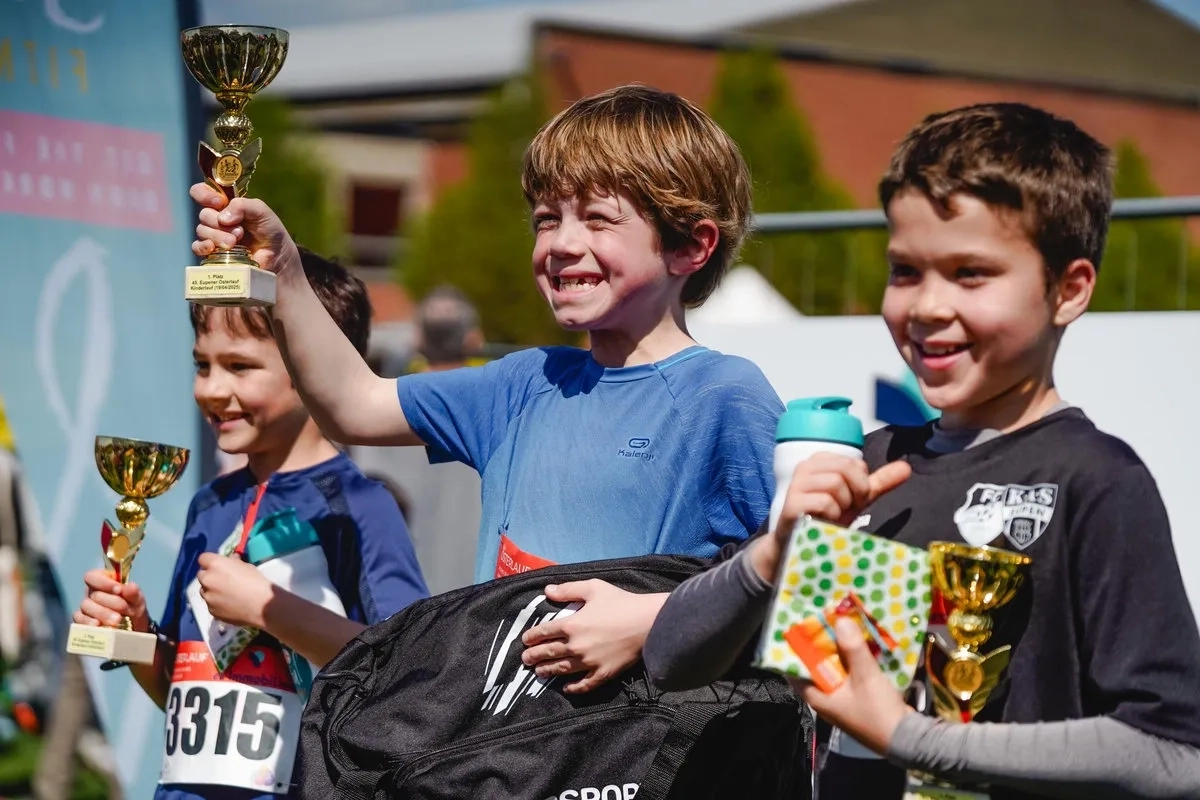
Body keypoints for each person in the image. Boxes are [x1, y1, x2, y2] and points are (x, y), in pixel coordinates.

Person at [643, 103, 1200, 799]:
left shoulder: (1096, 479)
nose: (928, 306)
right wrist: (773, 553)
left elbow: (1176, 751)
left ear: (1069, 289)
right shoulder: (868, 469)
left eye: (971, 273)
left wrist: (911, 737)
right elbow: (669, 660)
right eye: (906, 271)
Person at [188, 84, 782, 694]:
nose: (561, 244)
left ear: (691, 245)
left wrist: (649, 620)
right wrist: (284, 269)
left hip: (643, 747)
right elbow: (353, 405)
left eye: (598, 219)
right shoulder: (523, 383)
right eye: (547, 219)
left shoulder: (724, 396)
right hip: (501, 742)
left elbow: (806, 587)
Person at [72, 248, 429, 799]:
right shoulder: (209, 504)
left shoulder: (359, 507)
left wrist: (272, 610)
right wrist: (135, 636)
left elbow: (404, 672)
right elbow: (180, 688)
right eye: (203, 365)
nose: (212, 389)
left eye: (239, 366)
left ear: (314, 366)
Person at [354, 286, 486, 594]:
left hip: (398, 596)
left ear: (417, 339)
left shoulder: (378, 414)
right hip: (478, 598)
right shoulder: (500, 412)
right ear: (473, 339)